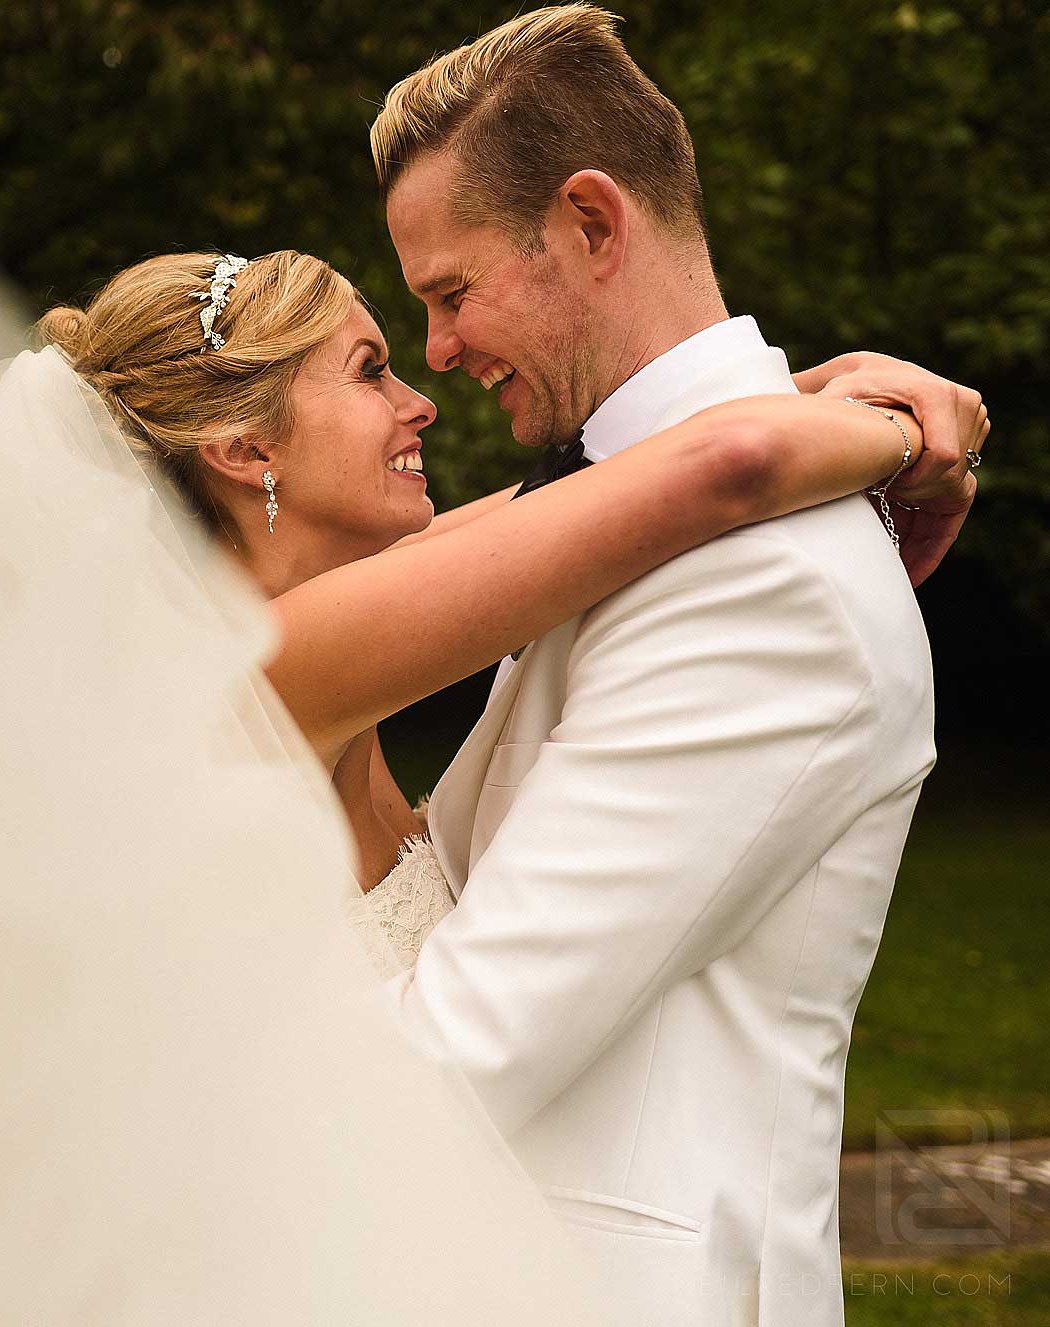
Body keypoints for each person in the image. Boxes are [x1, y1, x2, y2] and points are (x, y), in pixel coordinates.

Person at [366, 6, 987, 1323]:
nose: (437, 353)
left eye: (450, 293)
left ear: (592, 224)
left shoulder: (766, 584)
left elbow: (456, 1054)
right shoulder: (640, 506)